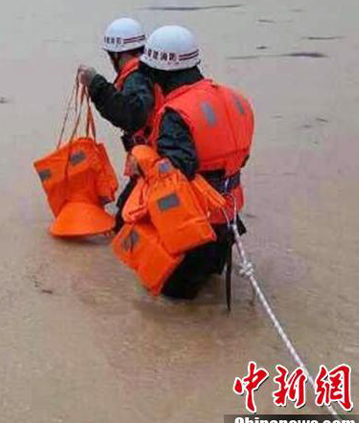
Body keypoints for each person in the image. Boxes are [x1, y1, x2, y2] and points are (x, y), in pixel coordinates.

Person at [135, 25, 254, 300]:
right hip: (228, 217)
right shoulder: (236, 99)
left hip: (193, 229)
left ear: (160, 72)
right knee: (205, 302)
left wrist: (143, 160)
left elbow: (176, 172)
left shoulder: (176, 113)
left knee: (174, 305)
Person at [77, 17, 162, 229]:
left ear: (116, 54)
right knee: (127, 215)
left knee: (124, 223)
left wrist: (96, 84)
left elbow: (130, 115)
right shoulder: (152, 70)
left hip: (155, 160)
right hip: (160, 155)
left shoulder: (136, 77)